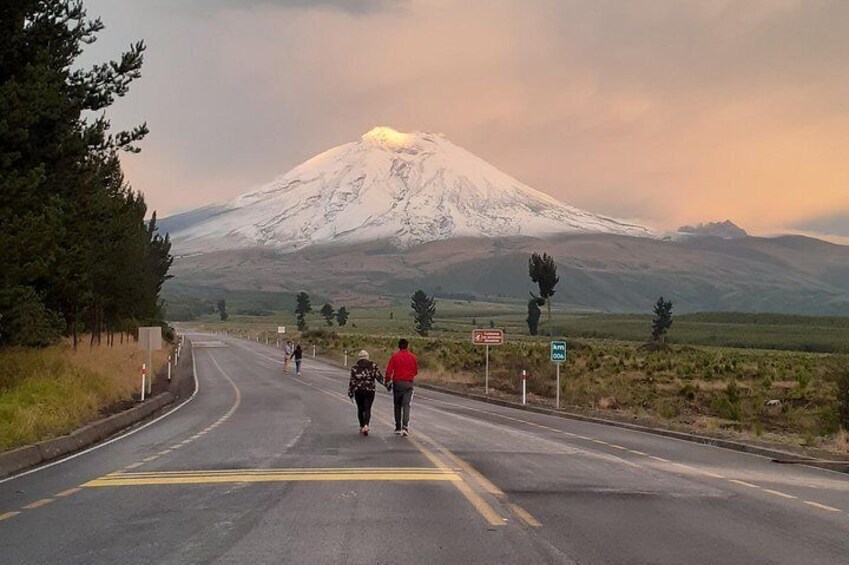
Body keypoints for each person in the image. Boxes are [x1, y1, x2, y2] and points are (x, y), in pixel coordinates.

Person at [385, 338, 418, 436]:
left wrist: (387, 381)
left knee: (397, 405)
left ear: (399, 346)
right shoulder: (413, 357)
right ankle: (405, 426)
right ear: (407, 346)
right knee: (406, 405)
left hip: (398, 383)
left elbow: (389, 371)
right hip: (408, 383)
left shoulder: (395, 357)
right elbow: (416, 371)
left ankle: (398, 426)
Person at [348, 350, 385, 436]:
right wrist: (387, 385)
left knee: (360, 408)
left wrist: (350, 392)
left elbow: (352, 381)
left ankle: (361, 426)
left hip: (358, 390)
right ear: (367, 357)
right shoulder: (373, 366)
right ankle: (366, 425)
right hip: (370, 390)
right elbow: (379, 377)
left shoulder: (355, 368)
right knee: (367, 408)